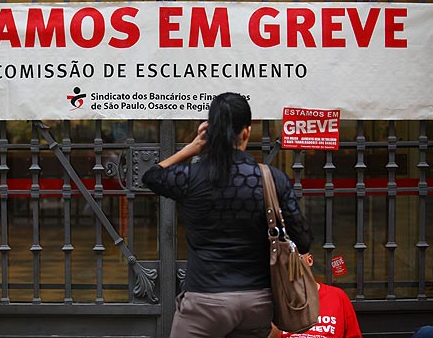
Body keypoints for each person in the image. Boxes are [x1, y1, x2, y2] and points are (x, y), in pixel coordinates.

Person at [142, 92, 313, 338]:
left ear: (211, 132)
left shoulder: (192, 177)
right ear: (247, 132)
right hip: (257, 303)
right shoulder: (271, 179)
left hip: (204, 303)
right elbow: (303, 239)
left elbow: (151, 176)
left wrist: (193, 147)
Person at [269, 253, 362, 338]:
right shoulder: (276, 299)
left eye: (297, 257)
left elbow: (353, 335)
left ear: (309, 260)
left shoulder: (337, 296)